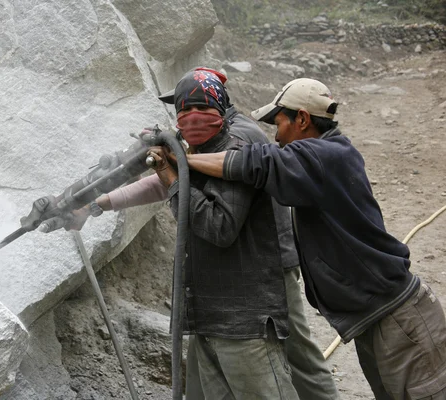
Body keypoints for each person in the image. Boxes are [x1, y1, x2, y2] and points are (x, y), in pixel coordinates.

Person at [70, 69, 335, 399]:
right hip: (229, 278)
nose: (187, 119)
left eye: (195, 107)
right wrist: (100, 201)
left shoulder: (239, 137)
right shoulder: (208, 138)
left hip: (266, 267)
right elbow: (170, 178)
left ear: (217, 102)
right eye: (183, 111)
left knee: (297, 360)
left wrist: (169, 167)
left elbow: (206, 212)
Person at [182, 77, 446, 400]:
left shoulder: (322, 157)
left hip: (402, 324)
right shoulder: (323, 159)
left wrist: (183, 163)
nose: (276, 136)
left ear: (303, 119)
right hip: (379, 321)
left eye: (278, 123)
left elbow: (255, 163)